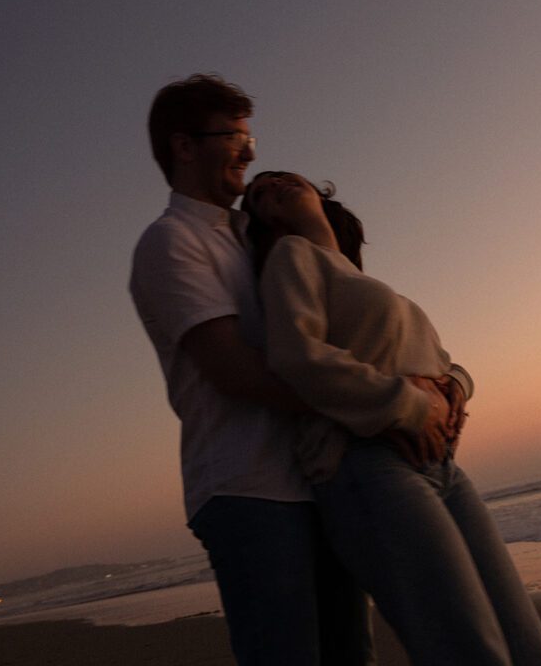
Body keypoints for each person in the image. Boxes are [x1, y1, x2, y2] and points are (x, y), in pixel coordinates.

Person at [241, 170, 541, 666]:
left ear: (321, 196)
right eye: (258, 194)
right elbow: (297, 357)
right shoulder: (291, 258)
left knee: (528, 644)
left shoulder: (360, 281)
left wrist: (455, 386)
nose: (271, 187)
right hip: (368, 465)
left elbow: (439, 361)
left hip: (443, 468)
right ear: (265, 223)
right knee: (468, 650)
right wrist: (410, 406)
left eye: (283, 178)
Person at [129, 76, 376, 666]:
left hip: (318, 478)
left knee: (351, 654)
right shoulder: (171, 243)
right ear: (184, 146)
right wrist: (377, 403)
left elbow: (343, 319)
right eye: (235, 137)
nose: (250, 151)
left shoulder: (257, 232)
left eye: (250, 137)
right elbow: (234, 371)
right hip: (249, 489)